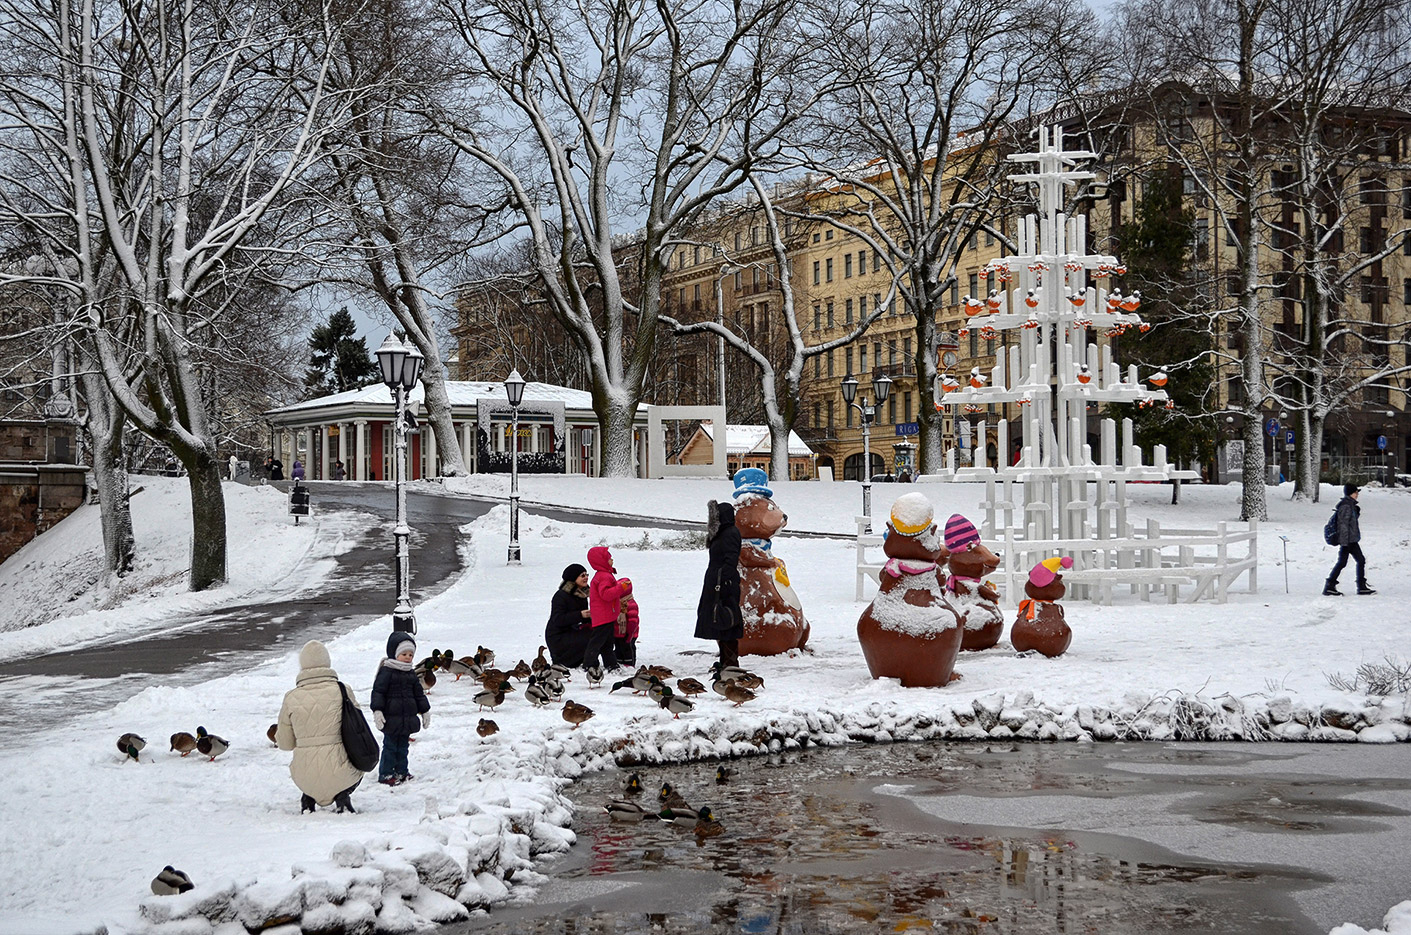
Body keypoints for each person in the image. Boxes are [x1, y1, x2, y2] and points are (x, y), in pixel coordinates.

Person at [275, 640, 366, 814]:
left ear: (302, 665)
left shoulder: (291, 697)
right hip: (342, 773)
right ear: (327, 662)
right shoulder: (343, 690)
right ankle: (342, 795)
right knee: (358, 762)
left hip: (304, 777)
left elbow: (285, 744)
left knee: (312, 768)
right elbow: (359, 729)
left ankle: (308, 798)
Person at [370, 631, 430, 786]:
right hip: (390, 718)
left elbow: (418, 694)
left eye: (411, 654)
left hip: (406, 719)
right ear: (394, 653)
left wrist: (425, 710)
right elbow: (378, 692)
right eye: (404, 653)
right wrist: (377, 710)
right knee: (390, 747)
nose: (408, 657)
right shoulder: (387, 671)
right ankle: (386, 773)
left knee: (403, 748)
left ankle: (402, 771)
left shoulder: (410, 673)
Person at [695, 500, 744, 668]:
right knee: (718, 621)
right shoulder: (721, 533)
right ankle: (725, 661)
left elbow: (731, 559)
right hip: (716, 582)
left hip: (723, 584)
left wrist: (722, 580)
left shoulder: (730, 532)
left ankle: (730, 663)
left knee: (726, 620)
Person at [1324, 483, 1375, 596]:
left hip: (1351, 540)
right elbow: (1343, 525)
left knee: (1353, 561)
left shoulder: (1350, 505)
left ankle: (1333, 585)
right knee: (1350, 562)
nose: (1357, 494)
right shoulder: (1346, 506)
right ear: (1350, 493)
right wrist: (1344, 542)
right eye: (1355, 492)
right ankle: (1331, 586)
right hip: (1348, 541)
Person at [546, 563, 593, 667]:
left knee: (599, 631)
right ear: (573, 578)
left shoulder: (582, 594)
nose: (586, 578)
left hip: (573, 632)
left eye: (586, 575)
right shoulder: (560, 596)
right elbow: (558, 619)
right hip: (558, 637)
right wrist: (580, 615)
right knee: (591, 635)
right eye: (582, 575)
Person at [585, 546, 623, 671]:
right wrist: (620, 587)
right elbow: (606, 595)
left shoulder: (604, 575)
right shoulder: (604, 576)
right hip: (603, 616)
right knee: (598, 641)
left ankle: (611, 663)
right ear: (602, 561)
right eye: (609, 558)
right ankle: (589, 663)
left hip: (605, 615)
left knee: (607, 642)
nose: (612, 560)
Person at [613, 577, 640, 669]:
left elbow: (633, 621)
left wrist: (630, 634)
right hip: (618, 633)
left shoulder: (631, 604)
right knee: (619, 648)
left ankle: (630, 664)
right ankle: (619, 662)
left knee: (628, 648)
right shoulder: (616, 603)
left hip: (629, 634)